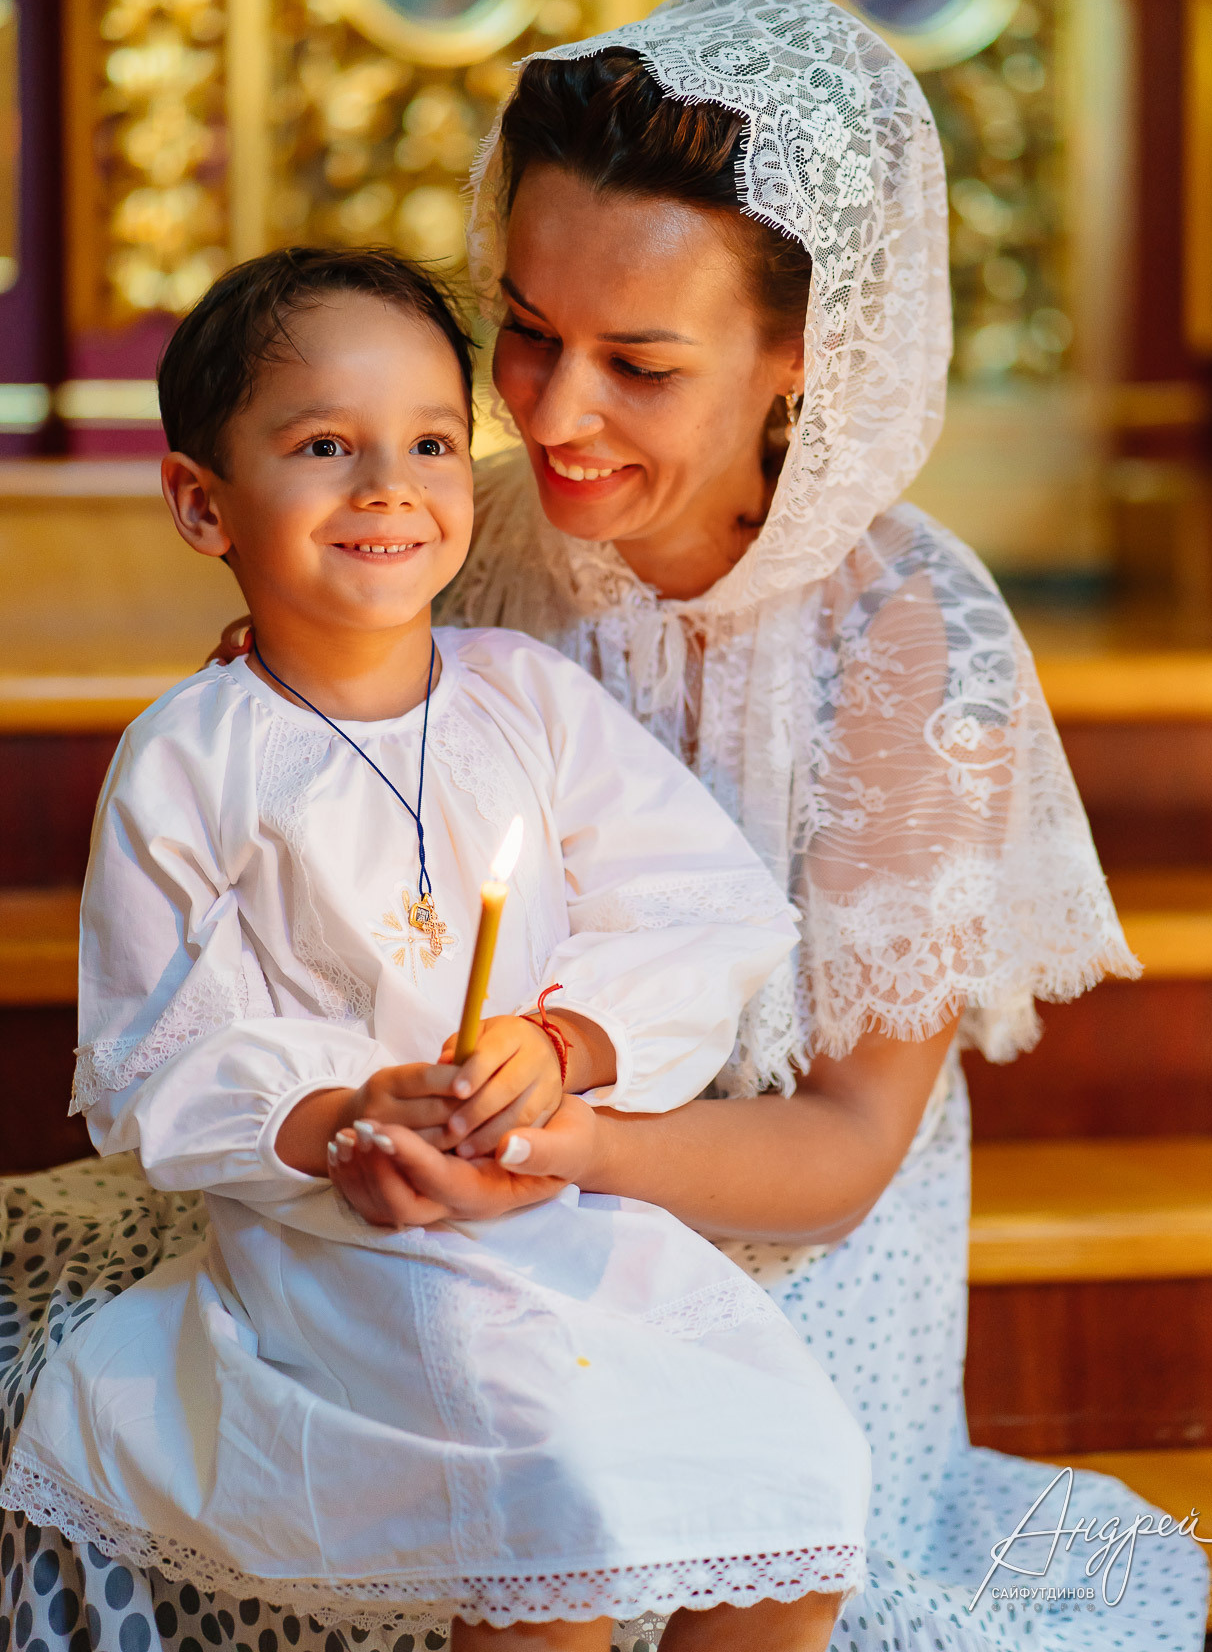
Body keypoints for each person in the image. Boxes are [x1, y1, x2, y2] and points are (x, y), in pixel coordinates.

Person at [0, 0, 1209, 1652]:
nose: (552, 416)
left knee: (706, 1522)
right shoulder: (438, 526)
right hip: (400, 1203)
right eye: (526, 329)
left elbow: (845, 1145)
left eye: (640, 364)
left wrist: (571, 1136)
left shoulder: (909, 635)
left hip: (763, 1238)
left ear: (801, 356)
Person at [0, 247, 872, 1652]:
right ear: (202, 502)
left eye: (428, 442)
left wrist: (562, 1044)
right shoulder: (190, 760)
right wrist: (344, 1116)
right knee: (554, 1496)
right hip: (349, 1247)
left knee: (793, 1470)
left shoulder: (525, 696)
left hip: (554, 1209)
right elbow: (153, 1058)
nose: (388, 487)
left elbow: (698, 904)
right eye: (324, 447)